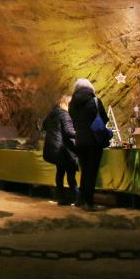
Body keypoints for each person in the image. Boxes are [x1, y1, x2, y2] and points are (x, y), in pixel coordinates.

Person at [68, 78, 109, 211]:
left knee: (84, 171)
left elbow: (73, 121)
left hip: (79, 141)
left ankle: (81, 200)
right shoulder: (95, 101)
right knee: (91, 172)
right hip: (93, 141)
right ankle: (89, 203)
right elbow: (104, 119)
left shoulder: (72, 104)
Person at [42, 95, 79, 206]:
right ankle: (76, 198)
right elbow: (69, 132)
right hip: (63, 150)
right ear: (68, 104)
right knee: (71, 173)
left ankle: (61, 197)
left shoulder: (51, 114)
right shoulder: (65, 115)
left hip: (54, 149)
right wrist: (81, 133)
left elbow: (44, 126)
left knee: (60, 172)